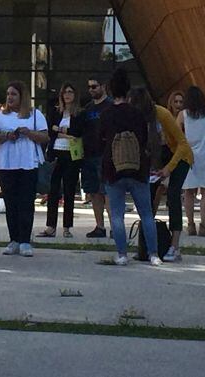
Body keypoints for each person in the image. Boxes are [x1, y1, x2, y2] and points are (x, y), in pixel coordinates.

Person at [98, 69, 160, 266]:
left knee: (116, 214)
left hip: (113, 168)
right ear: (127, 90)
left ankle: (122, 254)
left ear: (110, 89)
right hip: (137, 167)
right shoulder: (137, 114)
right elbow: (144, 139)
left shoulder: (106, 114)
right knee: (146, 213)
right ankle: (153, 254)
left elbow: (100, 140)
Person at [131, 87, 192, 262]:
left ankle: (174, 246)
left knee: (173, 195)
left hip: (180, 157)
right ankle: (146, 245)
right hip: (158, 157)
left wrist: (168, 169)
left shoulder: (162, 114)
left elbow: (182, 144)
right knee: (147, 199)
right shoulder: (138, 118)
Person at [0, 82, 48, 256]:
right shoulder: (0, 117)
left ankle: (25, 241)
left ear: (22, 96)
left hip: (28, 164)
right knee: (11, 203)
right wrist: (8, 135)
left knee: (26, 202)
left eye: (14, 94)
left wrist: (28, 132)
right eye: (8, 94)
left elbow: (45, 137)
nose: (10, 97)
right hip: (6, 164)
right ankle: (13, 239)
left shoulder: (35, 115)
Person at [37, 82, 82, 238]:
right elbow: (51, 131)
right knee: (53, 190)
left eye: (70, 92)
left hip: (72, 154)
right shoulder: (56, 113)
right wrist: (65, 133)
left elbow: (77, 132)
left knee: (69, 190)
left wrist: (61, 130)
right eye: (65, 92)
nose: (67, 94)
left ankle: (67, 227)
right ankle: (51, 226)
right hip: (57, 153)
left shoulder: (79, 114)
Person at [69, 75, 111, 237]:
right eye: (89, 87)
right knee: (94, 192)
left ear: (103, 86)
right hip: (88, 155)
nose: (91, 90)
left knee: (107, 192)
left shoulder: (110, 106)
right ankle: (99, 226)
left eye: (94, 86)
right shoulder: (87, 109)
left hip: (105, 154)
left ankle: (115, 227)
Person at [179, 86, 205, 238]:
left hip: (188, 156)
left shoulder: (183, 114)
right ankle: (204, 224)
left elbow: (175, 133)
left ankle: (190, 225)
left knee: (188, 192)